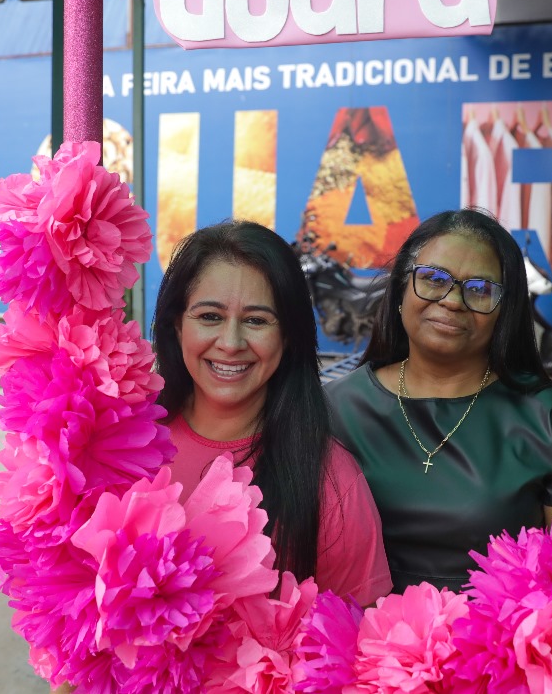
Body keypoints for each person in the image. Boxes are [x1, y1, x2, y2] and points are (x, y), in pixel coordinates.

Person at [326, 208, 552, 592]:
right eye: (433, 279)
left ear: (504, 312)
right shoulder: (334, 408)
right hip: (361, 640)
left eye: (479, 289)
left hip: (498, 644)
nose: (453, 301)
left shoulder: (543, 410)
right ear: (400, 291)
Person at [152, 220, 392, 605]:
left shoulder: (330, 481)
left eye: (256, 321)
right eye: (210, 316)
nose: (231, 343)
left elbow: (350, 648)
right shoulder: (126, 446)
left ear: (288, 336)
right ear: (177, 326)